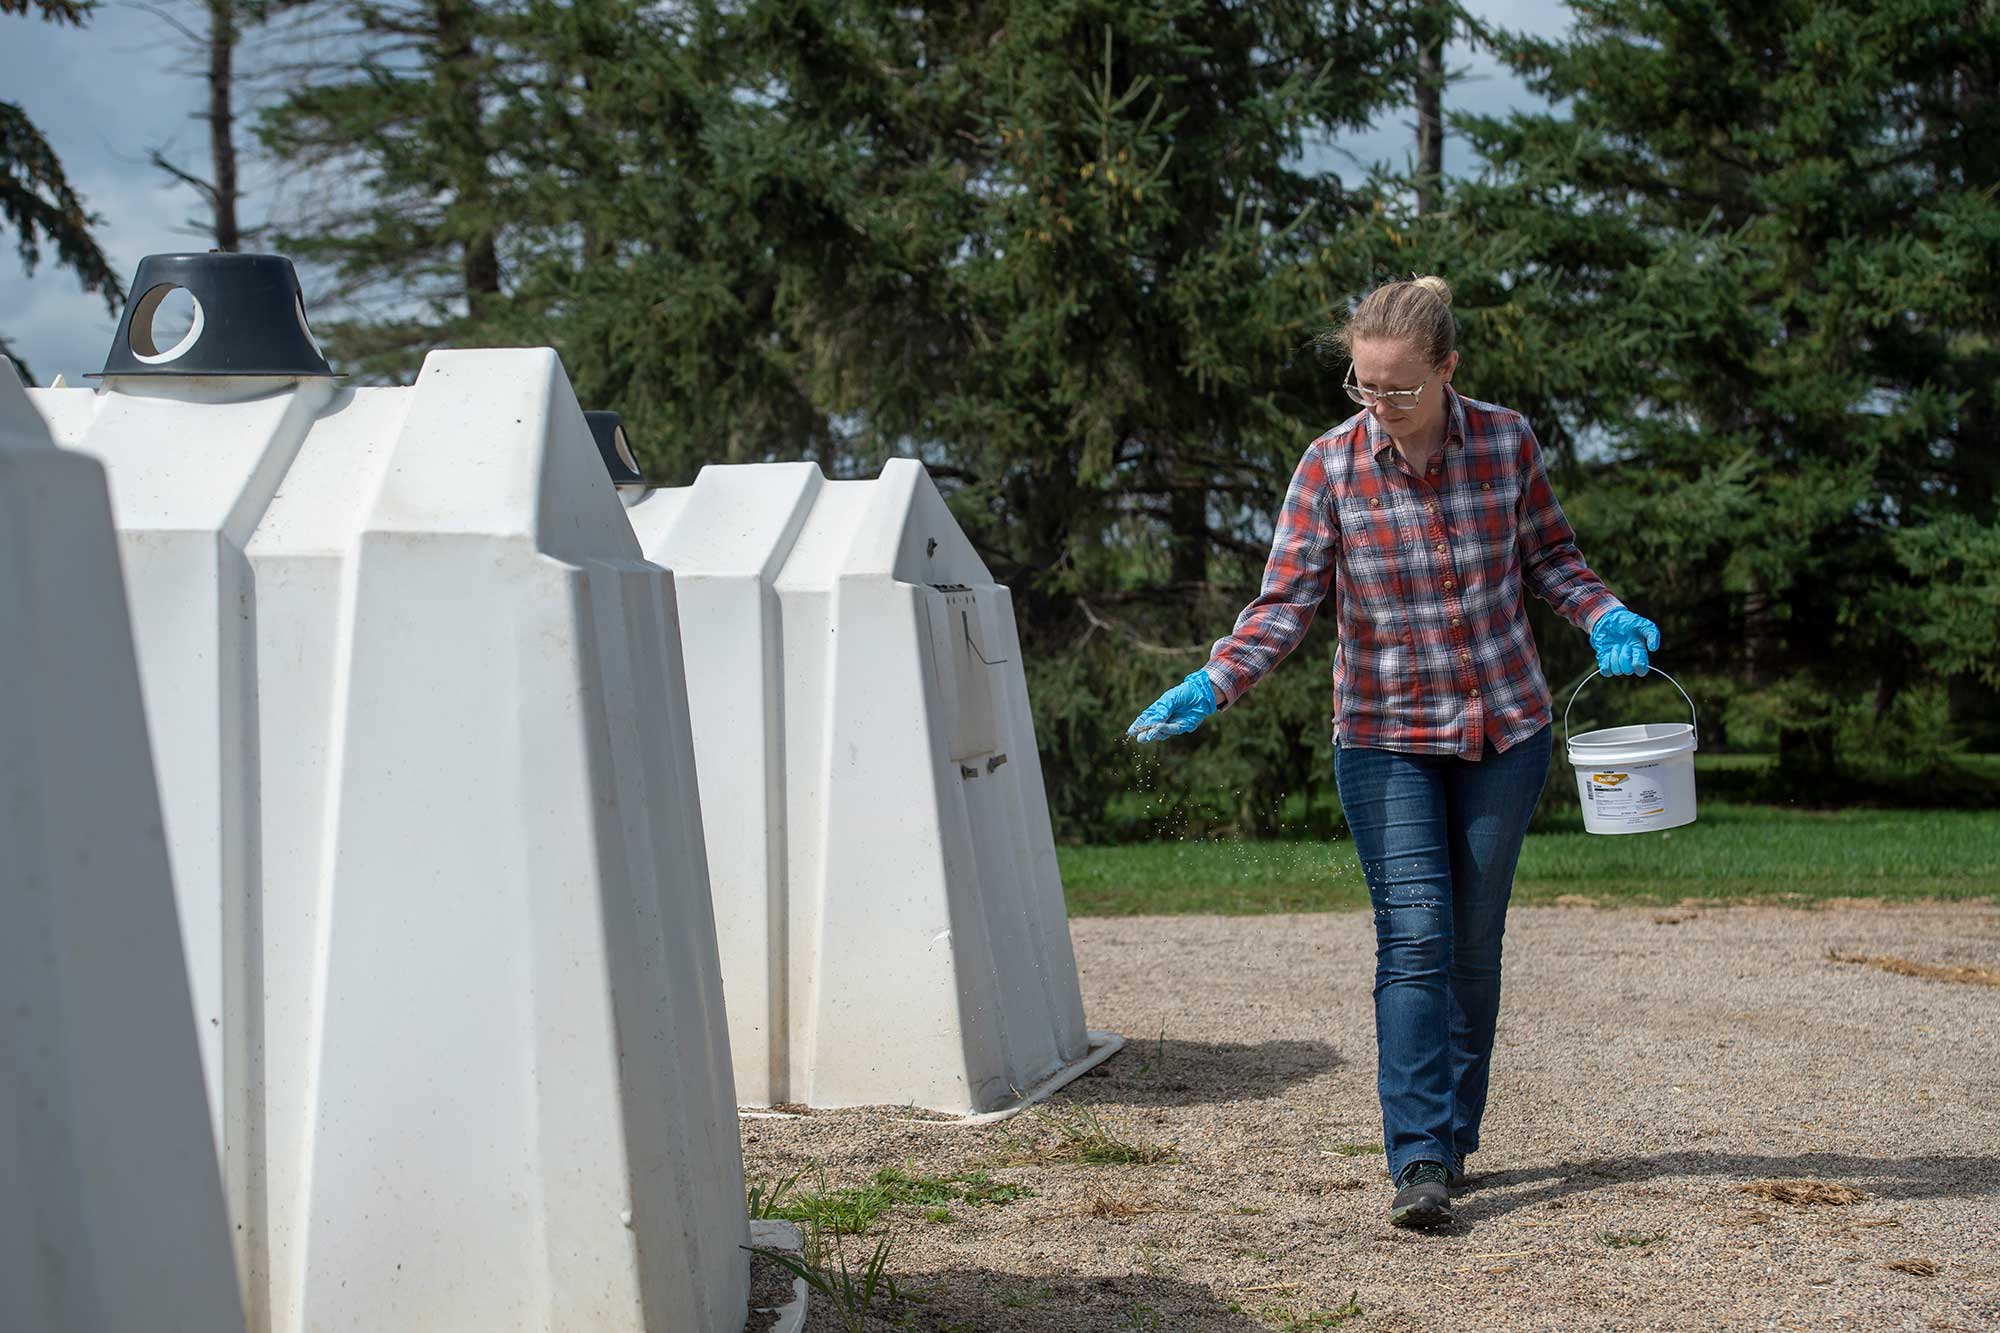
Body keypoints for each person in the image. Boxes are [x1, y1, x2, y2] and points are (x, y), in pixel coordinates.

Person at [1126, 275, 1659, 1231]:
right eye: (1364, 386)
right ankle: (1417, 1156)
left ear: (1449, 369)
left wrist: (1604, 613)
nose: (1380, 404)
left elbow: (1550, 558)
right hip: (1382, 735)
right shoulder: (1329, 466)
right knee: (1414, 936)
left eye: (1401, 387)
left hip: (1504, 728)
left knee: (1472, 943)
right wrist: (1215, 680)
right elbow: (1287, 602)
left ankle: (1453, 1134)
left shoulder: (1506, 441)